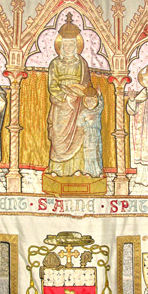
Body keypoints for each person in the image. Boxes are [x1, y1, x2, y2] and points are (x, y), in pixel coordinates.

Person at [47, 13, 91, 176]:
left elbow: (86, 84)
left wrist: (78, 93)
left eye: (71, 45)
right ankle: (57, 169)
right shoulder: (55, 63)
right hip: (61, 105)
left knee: (78, 134)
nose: (68, 48)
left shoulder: (82, 63)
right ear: (60, 46)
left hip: (77, 104)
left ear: (75, 46)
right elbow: (52, 85)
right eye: (65, 45)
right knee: (58, 135)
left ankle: (76, 168)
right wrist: (65, 97)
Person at [77, 86, 104, 177]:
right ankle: (88, 171)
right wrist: (86, 119)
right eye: (88, 101)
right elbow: (79, 123)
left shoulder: (97, 110)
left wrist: (100, 95)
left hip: (96, 133)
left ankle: (98, 171)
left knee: (97, 152)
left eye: (91, 101)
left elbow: (101, 105)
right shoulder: (84, 112)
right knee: (88, 152)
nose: (89, 103)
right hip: (88, 134)